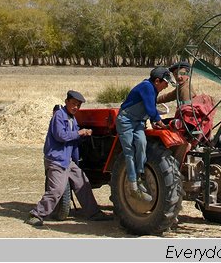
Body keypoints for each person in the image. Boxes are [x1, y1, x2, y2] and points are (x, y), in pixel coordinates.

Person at [25, 89, 113, 226]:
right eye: (73, 104)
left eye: (78, 105)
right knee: (57, 190)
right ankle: (36, 214)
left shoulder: (72, 119)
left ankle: (93, 213)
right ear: (66, 102)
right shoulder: (59, 116)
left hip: (67, 160)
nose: (76, 107)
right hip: (56, 160)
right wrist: (80, 133)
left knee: (83, 183)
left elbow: (74, 140)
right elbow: (61, 136)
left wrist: (85, 135)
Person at [115, 66, 175, 202]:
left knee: (142, 143)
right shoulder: (147, 87)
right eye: (166, 83)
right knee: (129, 151)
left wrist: (154, 120)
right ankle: (133, 185)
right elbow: (150, 108)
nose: (166, 86)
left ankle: (140, 175)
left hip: (138, 122)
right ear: (157, 81)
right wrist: (161, 124)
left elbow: (149, 110)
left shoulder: (153, 89)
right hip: (126, 121)